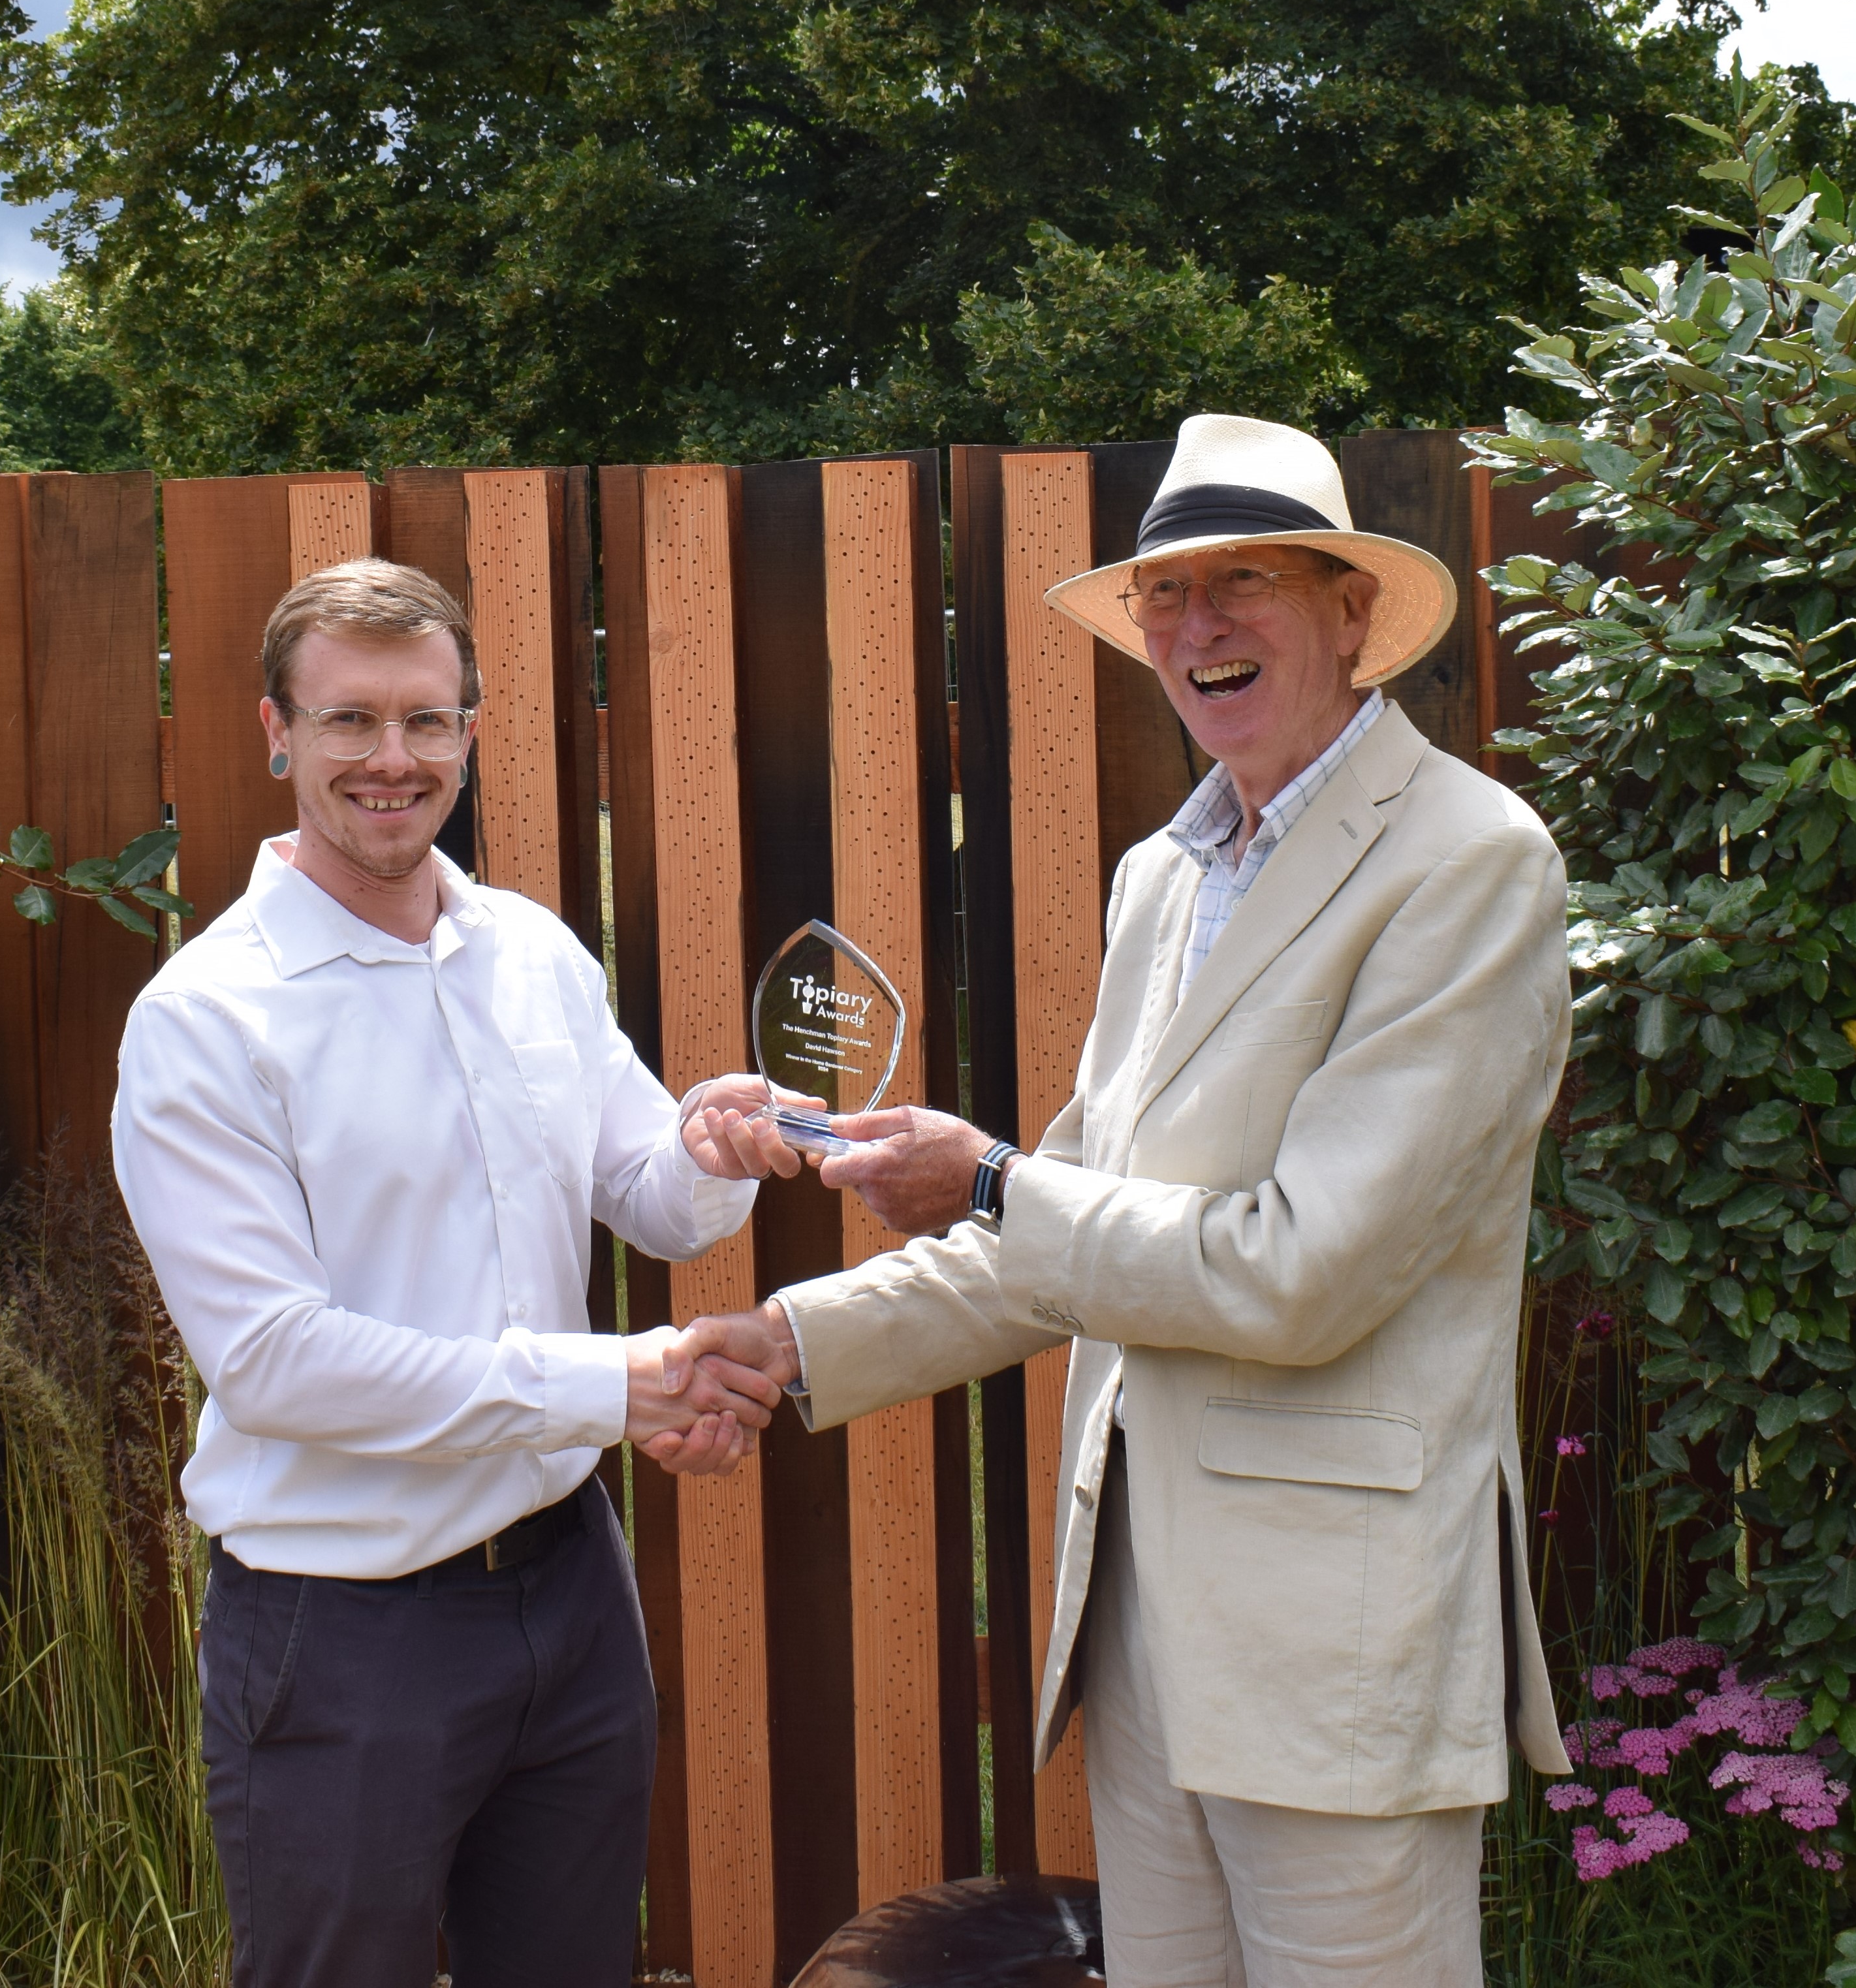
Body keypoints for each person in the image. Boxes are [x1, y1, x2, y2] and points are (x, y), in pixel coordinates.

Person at [684, 415, 1575, 1987]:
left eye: (1245, 582)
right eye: (1164, 594)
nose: (1196, 625)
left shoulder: (1469, 861)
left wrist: (993, 1183)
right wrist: (782, 1344)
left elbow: (1295, 1275)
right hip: (1145, 1628)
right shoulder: (1164, 878)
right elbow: (1066, 1240)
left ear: (1353, 614)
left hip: (1334, 1651)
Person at [112, 558, 796, 1988]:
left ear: (471, 733)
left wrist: (717, 1142)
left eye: (425, 722)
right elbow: (277, 1363)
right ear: (275, 734)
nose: (390, 760)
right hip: (340, 1628)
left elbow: (651, 1199)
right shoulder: (204, 1023)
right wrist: (619, 1382)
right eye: (348, 721)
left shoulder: (531, 953)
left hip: (568, 1596)